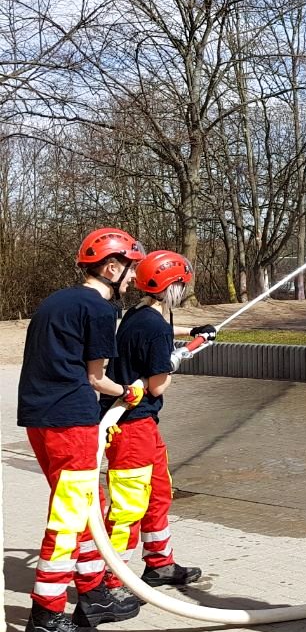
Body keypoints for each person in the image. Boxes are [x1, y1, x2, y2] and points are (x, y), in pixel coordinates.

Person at [18, 228, 147, 632]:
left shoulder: (58, 300)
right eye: (128, 268)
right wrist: (128, 390)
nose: (132, 278)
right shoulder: (99, 309)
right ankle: (46, 616)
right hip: (69, 420)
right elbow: (96, 379)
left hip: (39, 416)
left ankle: (93, 596)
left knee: (88, 505)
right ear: (111, 267)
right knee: (71, 517)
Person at [100, 250, 216, 591]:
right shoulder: (153, 327)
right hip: (130, 427)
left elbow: (159, 331)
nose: (184, 289)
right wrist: (176, 360)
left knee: (159, 493)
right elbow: (157, 384)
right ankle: (111, 581)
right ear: (173, 286)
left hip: (143, 425)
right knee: (129, 506)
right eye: (182, 284)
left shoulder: (143, 313)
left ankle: (160, 563)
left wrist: (195, 333)